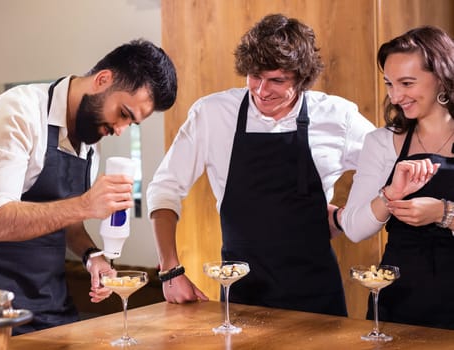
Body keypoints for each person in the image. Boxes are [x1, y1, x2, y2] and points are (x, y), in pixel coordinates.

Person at [147, 14, 374, 316]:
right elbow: (164, 187)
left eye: (277, 80)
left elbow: (387, 168)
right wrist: (170, 270)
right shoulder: (213, 114)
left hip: (317, 294)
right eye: (255, 76)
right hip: (241, 291)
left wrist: (348, 216)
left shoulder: (338, 117)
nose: (262, 91)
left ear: (303, 78)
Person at [0, 39, 177, 334]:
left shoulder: (89, 144)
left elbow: (66, 222)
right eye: (123, 113)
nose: (119, 130)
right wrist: (86, 204)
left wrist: (92, 256)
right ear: (103, 80)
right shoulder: (18, 112)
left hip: (50, 303)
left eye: (130, 124)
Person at [341, 26, 454, 329]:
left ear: (442, 76)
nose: (395, 96)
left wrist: (442, 213)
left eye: (407, 83)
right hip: (399, 302)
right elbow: (353, 228)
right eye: (390, 83)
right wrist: (389, 195)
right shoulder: (381, 142)